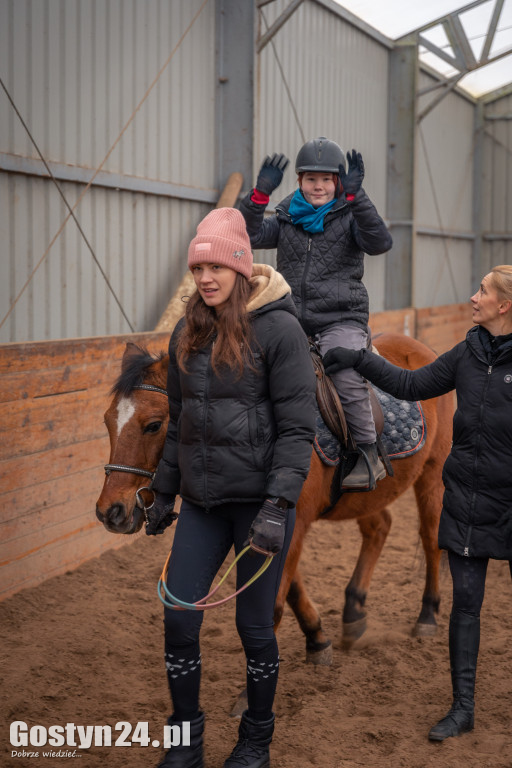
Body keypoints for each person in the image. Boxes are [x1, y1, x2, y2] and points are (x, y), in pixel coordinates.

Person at [146, 207, 317, 768]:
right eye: (198, 269)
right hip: (201, 503)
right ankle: (184, 740)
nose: (205, 279)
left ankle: (255, 741)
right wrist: (165, 492)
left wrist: (279, 505)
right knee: (178, 617)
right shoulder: (185, 332)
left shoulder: (281, 330)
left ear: (241, 269)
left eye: (216, 267)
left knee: (253, 628)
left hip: (259, 507)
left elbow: (297, 429)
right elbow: (179, 422)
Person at [321, 264, 512, 742]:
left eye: (483, 291)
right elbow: (411, 385)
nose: (473, 296)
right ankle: (462, 708)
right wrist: (361, 359)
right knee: (465, 608)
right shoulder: (467, 353)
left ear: (504, 306)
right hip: (469, 499)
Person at [239, 136, 393, 489]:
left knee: (346, 378)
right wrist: (258, 197)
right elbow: (245, 237)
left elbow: (380, 242)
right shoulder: (286, 217)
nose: (318, 186)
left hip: (342, 317)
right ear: (299, 182)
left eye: (327, 179)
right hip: (291, 317)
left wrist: (357, 198)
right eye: (311, 179)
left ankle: (368, 451)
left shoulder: (350, 216)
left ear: (338, 183)